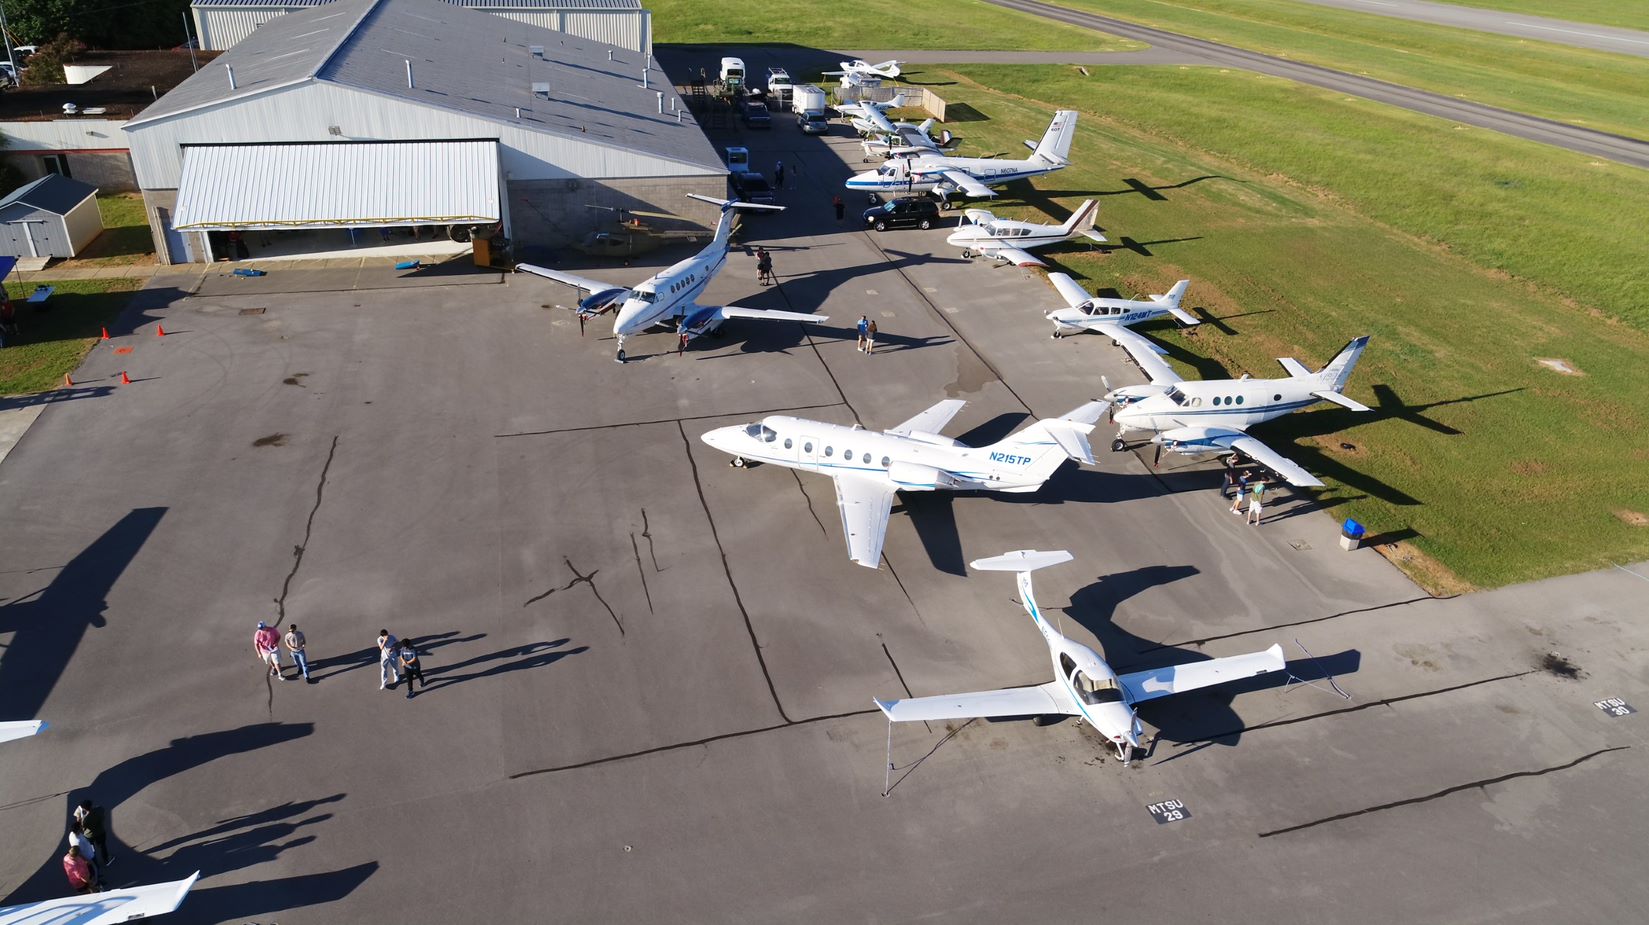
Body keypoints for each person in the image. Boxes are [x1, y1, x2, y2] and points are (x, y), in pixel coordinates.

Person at [73, 799, 110, 867]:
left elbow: (82, 827)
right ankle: (106, 859)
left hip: (89, 836)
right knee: (102, 846)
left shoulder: (86, 819)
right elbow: (102, 812)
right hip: (100, 832)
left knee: (91, 849)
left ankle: (95, 863)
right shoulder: (100, 809)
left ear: (84, 808)